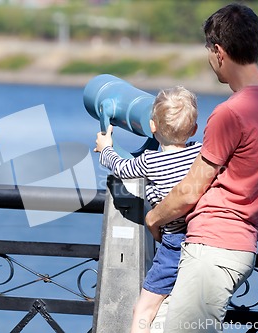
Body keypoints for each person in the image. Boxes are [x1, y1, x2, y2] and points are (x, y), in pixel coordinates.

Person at [145, 3, 258, 333]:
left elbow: (190, 190)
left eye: (208, 50)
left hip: (212, 249)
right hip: (242, 243)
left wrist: (153, 217)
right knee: (155, 326)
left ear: (218, 51)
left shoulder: (231, 113)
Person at [94, 85, 202, 333]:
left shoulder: (150, 161)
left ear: (152, 126)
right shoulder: (199, 153)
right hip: (198, 237)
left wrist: (105, 147)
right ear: (194, 129)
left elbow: (121, 168)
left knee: (143, 309)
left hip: (172, 244)